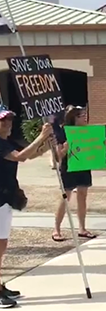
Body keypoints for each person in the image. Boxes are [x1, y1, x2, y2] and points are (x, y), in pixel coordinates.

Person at [0, 105, 53, 307]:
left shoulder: (7, 142)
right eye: (3, 120)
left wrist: (45, 145)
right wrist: (41, 136)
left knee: (2, 245)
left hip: (6, 199)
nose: (7, 124)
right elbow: (19, 157)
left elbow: (28, 155)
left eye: (9, 120)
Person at [53, 105, 103, 242]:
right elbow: (59, 156)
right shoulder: (63, 132)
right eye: (82, 115)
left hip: (83, 165)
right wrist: (66, 148)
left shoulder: (87, 131)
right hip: (69, 167)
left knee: (83, 195)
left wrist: (101, 145)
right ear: (74, 118)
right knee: (65, 196)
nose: (85, 118)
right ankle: (56, 229)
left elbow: (94, 148)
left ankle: (82, 228)